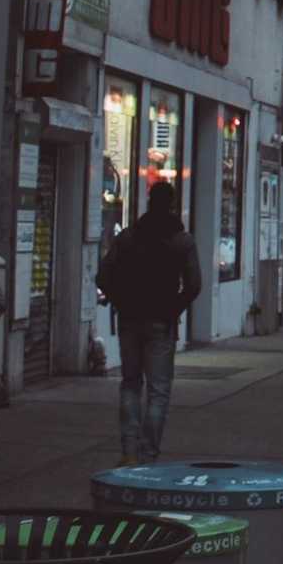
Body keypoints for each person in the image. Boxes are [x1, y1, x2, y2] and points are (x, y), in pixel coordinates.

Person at [95, 182, 202, 465]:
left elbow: (103, 276)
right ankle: (148, 454)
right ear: (171, 204)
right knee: (158, 390)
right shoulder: (181, 241)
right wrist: (173, 307)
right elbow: (194, 285)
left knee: (130, 384)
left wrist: (121, 300)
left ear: (148, 201)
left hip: (130, 318)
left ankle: (129, 451)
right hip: (161, 322)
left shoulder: (129, 237)